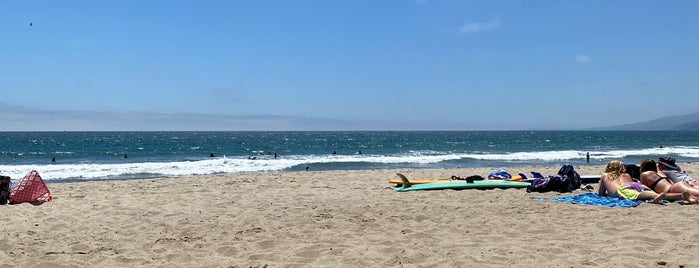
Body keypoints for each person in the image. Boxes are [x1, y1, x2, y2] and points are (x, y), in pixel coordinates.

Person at [598, 160, 693, 204]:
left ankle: (659, 196)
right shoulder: (626, 175)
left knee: (644, 196)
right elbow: (631, 185)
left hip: (622, 190)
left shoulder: (605, 175)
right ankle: (680, 195)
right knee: (648, 194)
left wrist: (609, 193)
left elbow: (601, 194)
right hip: (634, 185)